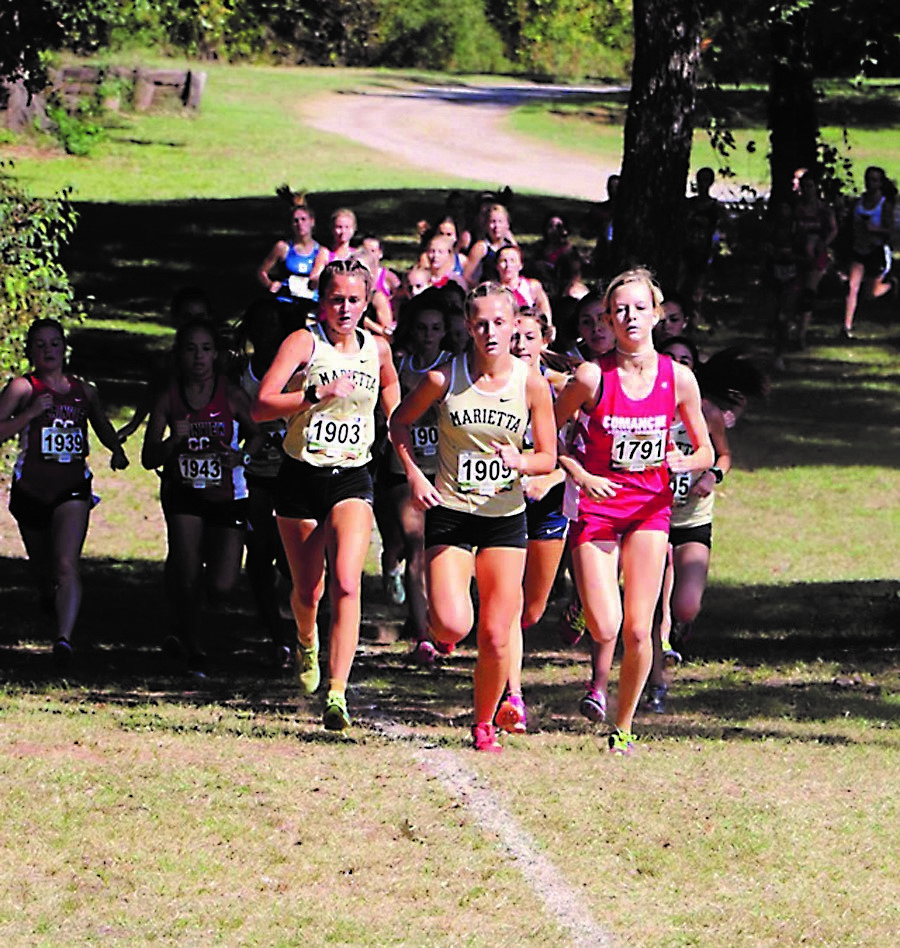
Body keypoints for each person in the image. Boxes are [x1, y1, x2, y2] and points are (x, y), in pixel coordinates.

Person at [389, 283, 556, 752]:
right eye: (480, 323)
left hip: (503, 518)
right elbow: (398, 423)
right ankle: (441, 638)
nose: (490, 332)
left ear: (514, 325)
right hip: (452, 514)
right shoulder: (445, 378)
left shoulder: (531, 383)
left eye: (499, 323)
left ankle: (484, 723)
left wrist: (520, 463)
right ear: (467, 325)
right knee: (452, 623)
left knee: (497, 634)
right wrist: (416, 477)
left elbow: (548, 456)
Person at [554, 269, 713, 755]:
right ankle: (584, 599)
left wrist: (682, 460)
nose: (629, 317)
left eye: (639, 308)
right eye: (619, 310)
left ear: (657, 314)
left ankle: (622, 726)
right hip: (599, 509)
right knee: (606, 625)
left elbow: (706, 449)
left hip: (650, 510)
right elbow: (546, 437)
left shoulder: (677, 378)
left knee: (639, 627)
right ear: (607, 318)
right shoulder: (590, 376)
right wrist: (578, 474)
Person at [252, 259, 400, 730]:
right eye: (336, 298)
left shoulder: (375, 348)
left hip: (352, 476)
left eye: (355, 299)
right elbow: (260, 406)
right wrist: (313, 396)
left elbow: (391, 382)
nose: (346, 308)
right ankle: (305, 637)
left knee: (347, 582)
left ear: (367, 301)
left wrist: (396, 420)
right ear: (321, 300)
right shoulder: (303, 342)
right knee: (307, 590)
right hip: (299, 476)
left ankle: (337, 693)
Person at [0, 318, 129, 665]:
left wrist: (116, 450)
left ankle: (63, 638)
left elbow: (101, 425)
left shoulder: (83, 391)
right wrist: (29, 415)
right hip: (31, 490)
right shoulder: (22, 389)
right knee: (43, 568)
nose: (48, 351)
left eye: (54, 343)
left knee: (65, 562)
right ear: (30, 350)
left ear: (64, 349)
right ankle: (46, 595)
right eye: (40, 345)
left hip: (72, 489)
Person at [142, 318, 260, 676]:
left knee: (222, 584)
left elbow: (257, 435)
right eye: (191, 349)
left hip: (227, 494)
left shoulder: (232, 394)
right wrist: (173, 442)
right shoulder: (169, 397)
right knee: (187, 572)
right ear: (179, 355)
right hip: (184, 493)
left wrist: (241, 456)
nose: (199, 358)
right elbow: (149, 458)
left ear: (216, 356)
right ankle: (195, 649)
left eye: (206, 350)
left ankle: (187, 620)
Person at [644, 335, 731, 713]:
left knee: (686, 606)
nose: (679, 364)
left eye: (686, 359)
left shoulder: (706, 411)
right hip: (651, 515)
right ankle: (656, 678)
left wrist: (712, 475)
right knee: (653, 603)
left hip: (693, 516)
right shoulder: (645, 407)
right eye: (672, 358)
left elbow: (724, 454)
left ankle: (675, 633)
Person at [495, 307, 569, 733]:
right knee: (508, 604)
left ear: (545, 340)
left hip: (549, 502)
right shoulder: (490, 386)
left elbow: (577, 453)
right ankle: (513, 695)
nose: (520, 344)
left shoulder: (563, 390)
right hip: (502, 505)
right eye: (514, 336)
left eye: (529, 336)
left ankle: (505, 649)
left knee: (532, 610)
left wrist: (550, 475)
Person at [383, 289, 454, 662]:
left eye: (436, 328)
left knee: (443, 549)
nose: (428, 334)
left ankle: (441, 621)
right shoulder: (400, 366)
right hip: (405, 467)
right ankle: (423, 635)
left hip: (447, 471)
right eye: (422, 328)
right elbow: (392, 415)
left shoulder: (455, 366)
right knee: (416, 543)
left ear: (445, 331)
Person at [233, 299, 297, 669]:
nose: (266, 332)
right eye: (260, 324)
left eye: (274, 325)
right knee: (258, 556)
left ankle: (300, 623)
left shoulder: (297, 370)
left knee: (293, 562)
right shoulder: (238, 371)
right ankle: (276, 635)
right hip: (253, 474)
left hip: (293, 474)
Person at [842, 165, 896, 339]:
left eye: (874, 180)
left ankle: (891, 286)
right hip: (859, 249)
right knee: (852, 287)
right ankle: (846, 326)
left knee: (869, 294)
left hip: (876, 251)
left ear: (880, 183)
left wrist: (874, 230)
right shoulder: (858, 202)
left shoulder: (884, 205)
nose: (870, 183)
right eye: (868, 179)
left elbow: (890, 231)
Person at [793, 172, 837, 350]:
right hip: (799, 254)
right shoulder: (796, 209)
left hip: (817, 255)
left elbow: (833, 229)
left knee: (808, 294)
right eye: (804, 187)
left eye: (810, 186)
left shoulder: (824, 210)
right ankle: (792, 325)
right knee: (795, 291)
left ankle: (801, 335)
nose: (807, 191)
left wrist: (823, 243)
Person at [257, 195, 321, 313]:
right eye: (295, 221)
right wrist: (270, 284)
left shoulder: (321, 251)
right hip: (286, 302)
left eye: (303, 219)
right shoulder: (283, 247)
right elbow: (262, 272)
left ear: (312, 222)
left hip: (311, 304)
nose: (300, 224)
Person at [680, 167, 724, 330]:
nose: (702, 184)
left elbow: (718, 231)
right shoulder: (689, 205)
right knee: (682, 285)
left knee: (698, 288)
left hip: (703, 251)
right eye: (700, 180)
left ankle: (694, 320)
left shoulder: (714, 208)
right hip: (687, 250)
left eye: (706, 181)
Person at [495, 244, 552, 322]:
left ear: (520, 265)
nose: (508, 265)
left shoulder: (532, 286)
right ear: (497, 266)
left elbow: (545, 310)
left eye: (512, 260)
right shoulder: (493, 290)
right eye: (503, 261)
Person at [463, 204, 517, 286]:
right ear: (486, 225)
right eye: (493, 222)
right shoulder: (481, 247)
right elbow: (467, 276)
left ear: (507, 225)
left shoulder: (510, 246)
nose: (496, 226)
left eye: (500, 222)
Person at [309, 207, 357, 290]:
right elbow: (313, 281)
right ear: (332, 228)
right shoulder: (325, 253)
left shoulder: (358, 254)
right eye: (339, 227)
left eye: (347, 227)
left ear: (354, 228)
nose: (343, 232)